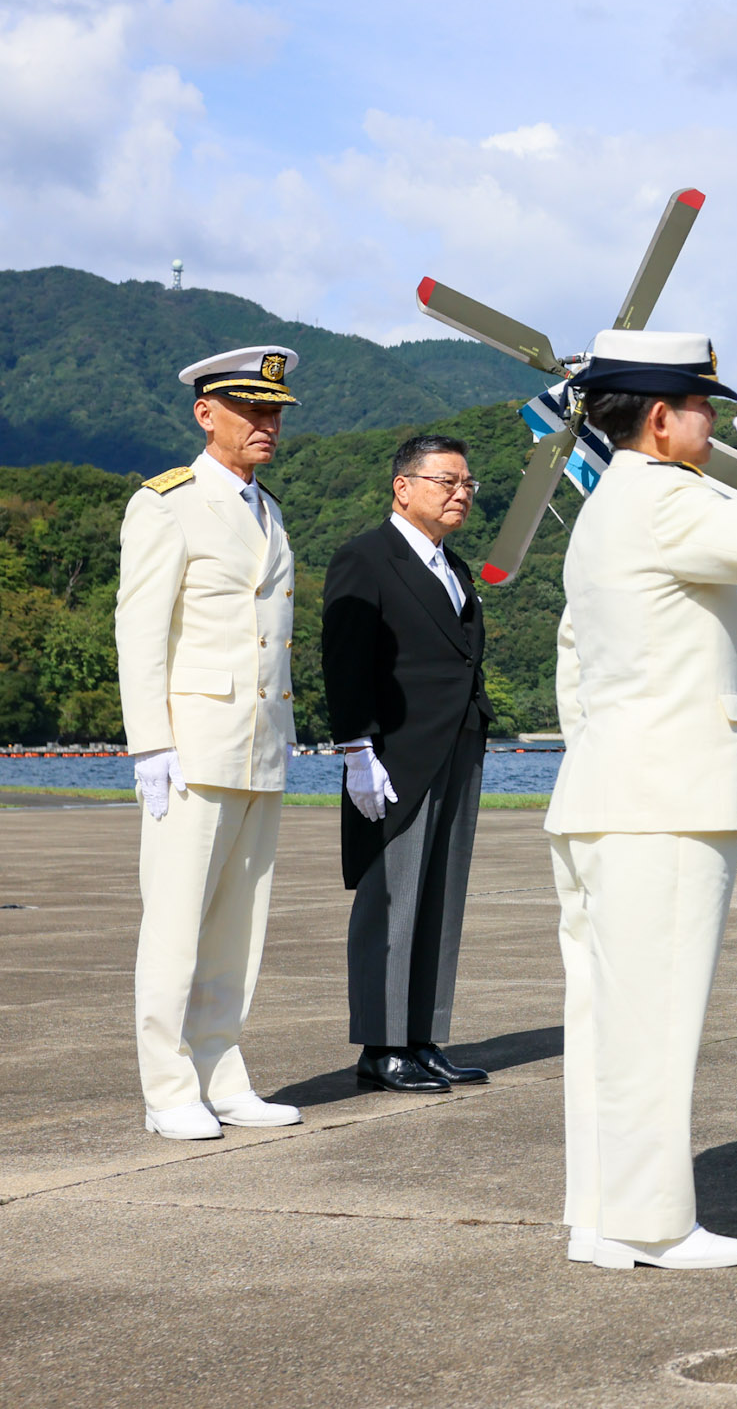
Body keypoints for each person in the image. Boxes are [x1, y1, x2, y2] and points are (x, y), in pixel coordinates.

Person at [546, 331, 737, 1270]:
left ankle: (600, 1215)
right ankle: (655, 1223)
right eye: (704, 408)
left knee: (606, 1019)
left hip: (603, 788)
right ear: (661, 419)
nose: (715, 424)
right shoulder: (665, 498)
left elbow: (573, 664)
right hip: (665, 796)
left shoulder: (604, 508)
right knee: (657, 1020)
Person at [114, 345, 308, 1140]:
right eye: (251, 410)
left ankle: (220, 1070)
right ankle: (168, 1089)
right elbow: (140, 631)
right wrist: (149, 745)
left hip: (259, 745)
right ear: (206, 413)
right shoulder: (166, 504)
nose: (267, 424)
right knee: (175, 923)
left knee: (239, 927)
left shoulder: (269, 509)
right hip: (190, 746)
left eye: (275, 412)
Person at [323, 434, 496, 1093]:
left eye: (466, 484)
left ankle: (423, 1036)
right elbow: (345, 659)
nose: (460, 494)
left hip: (456, 745)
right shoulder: (367, 558)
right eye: (446, 482)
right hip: (395, 753)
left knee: (440, 900)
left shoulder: (454, 566)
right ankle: (381, 1046)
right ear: (404, 486)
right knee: (390, 904)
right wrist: (356, 748)